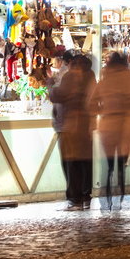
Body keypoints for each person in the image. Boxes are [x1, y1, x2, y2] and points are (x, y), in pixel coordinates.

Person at [46, 52, 95, 210]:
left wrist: (50, 84)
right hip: (85, 125)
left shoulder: (71, 77)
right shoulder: (91, 76)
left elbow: (58, 96)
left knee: (71, 163)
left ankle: (75, 199)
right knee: (84, 162)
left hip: (70, 125)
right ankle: (86, 196)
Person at [94, 51, 130, 209]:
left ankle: (107, 195)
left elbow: (92, 102)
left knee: (108, 163)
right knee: (121, 163)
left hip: (108, 125)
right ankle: (120, 193)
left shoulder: (105, 80)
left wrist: (103, 110)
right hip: (126, 125)